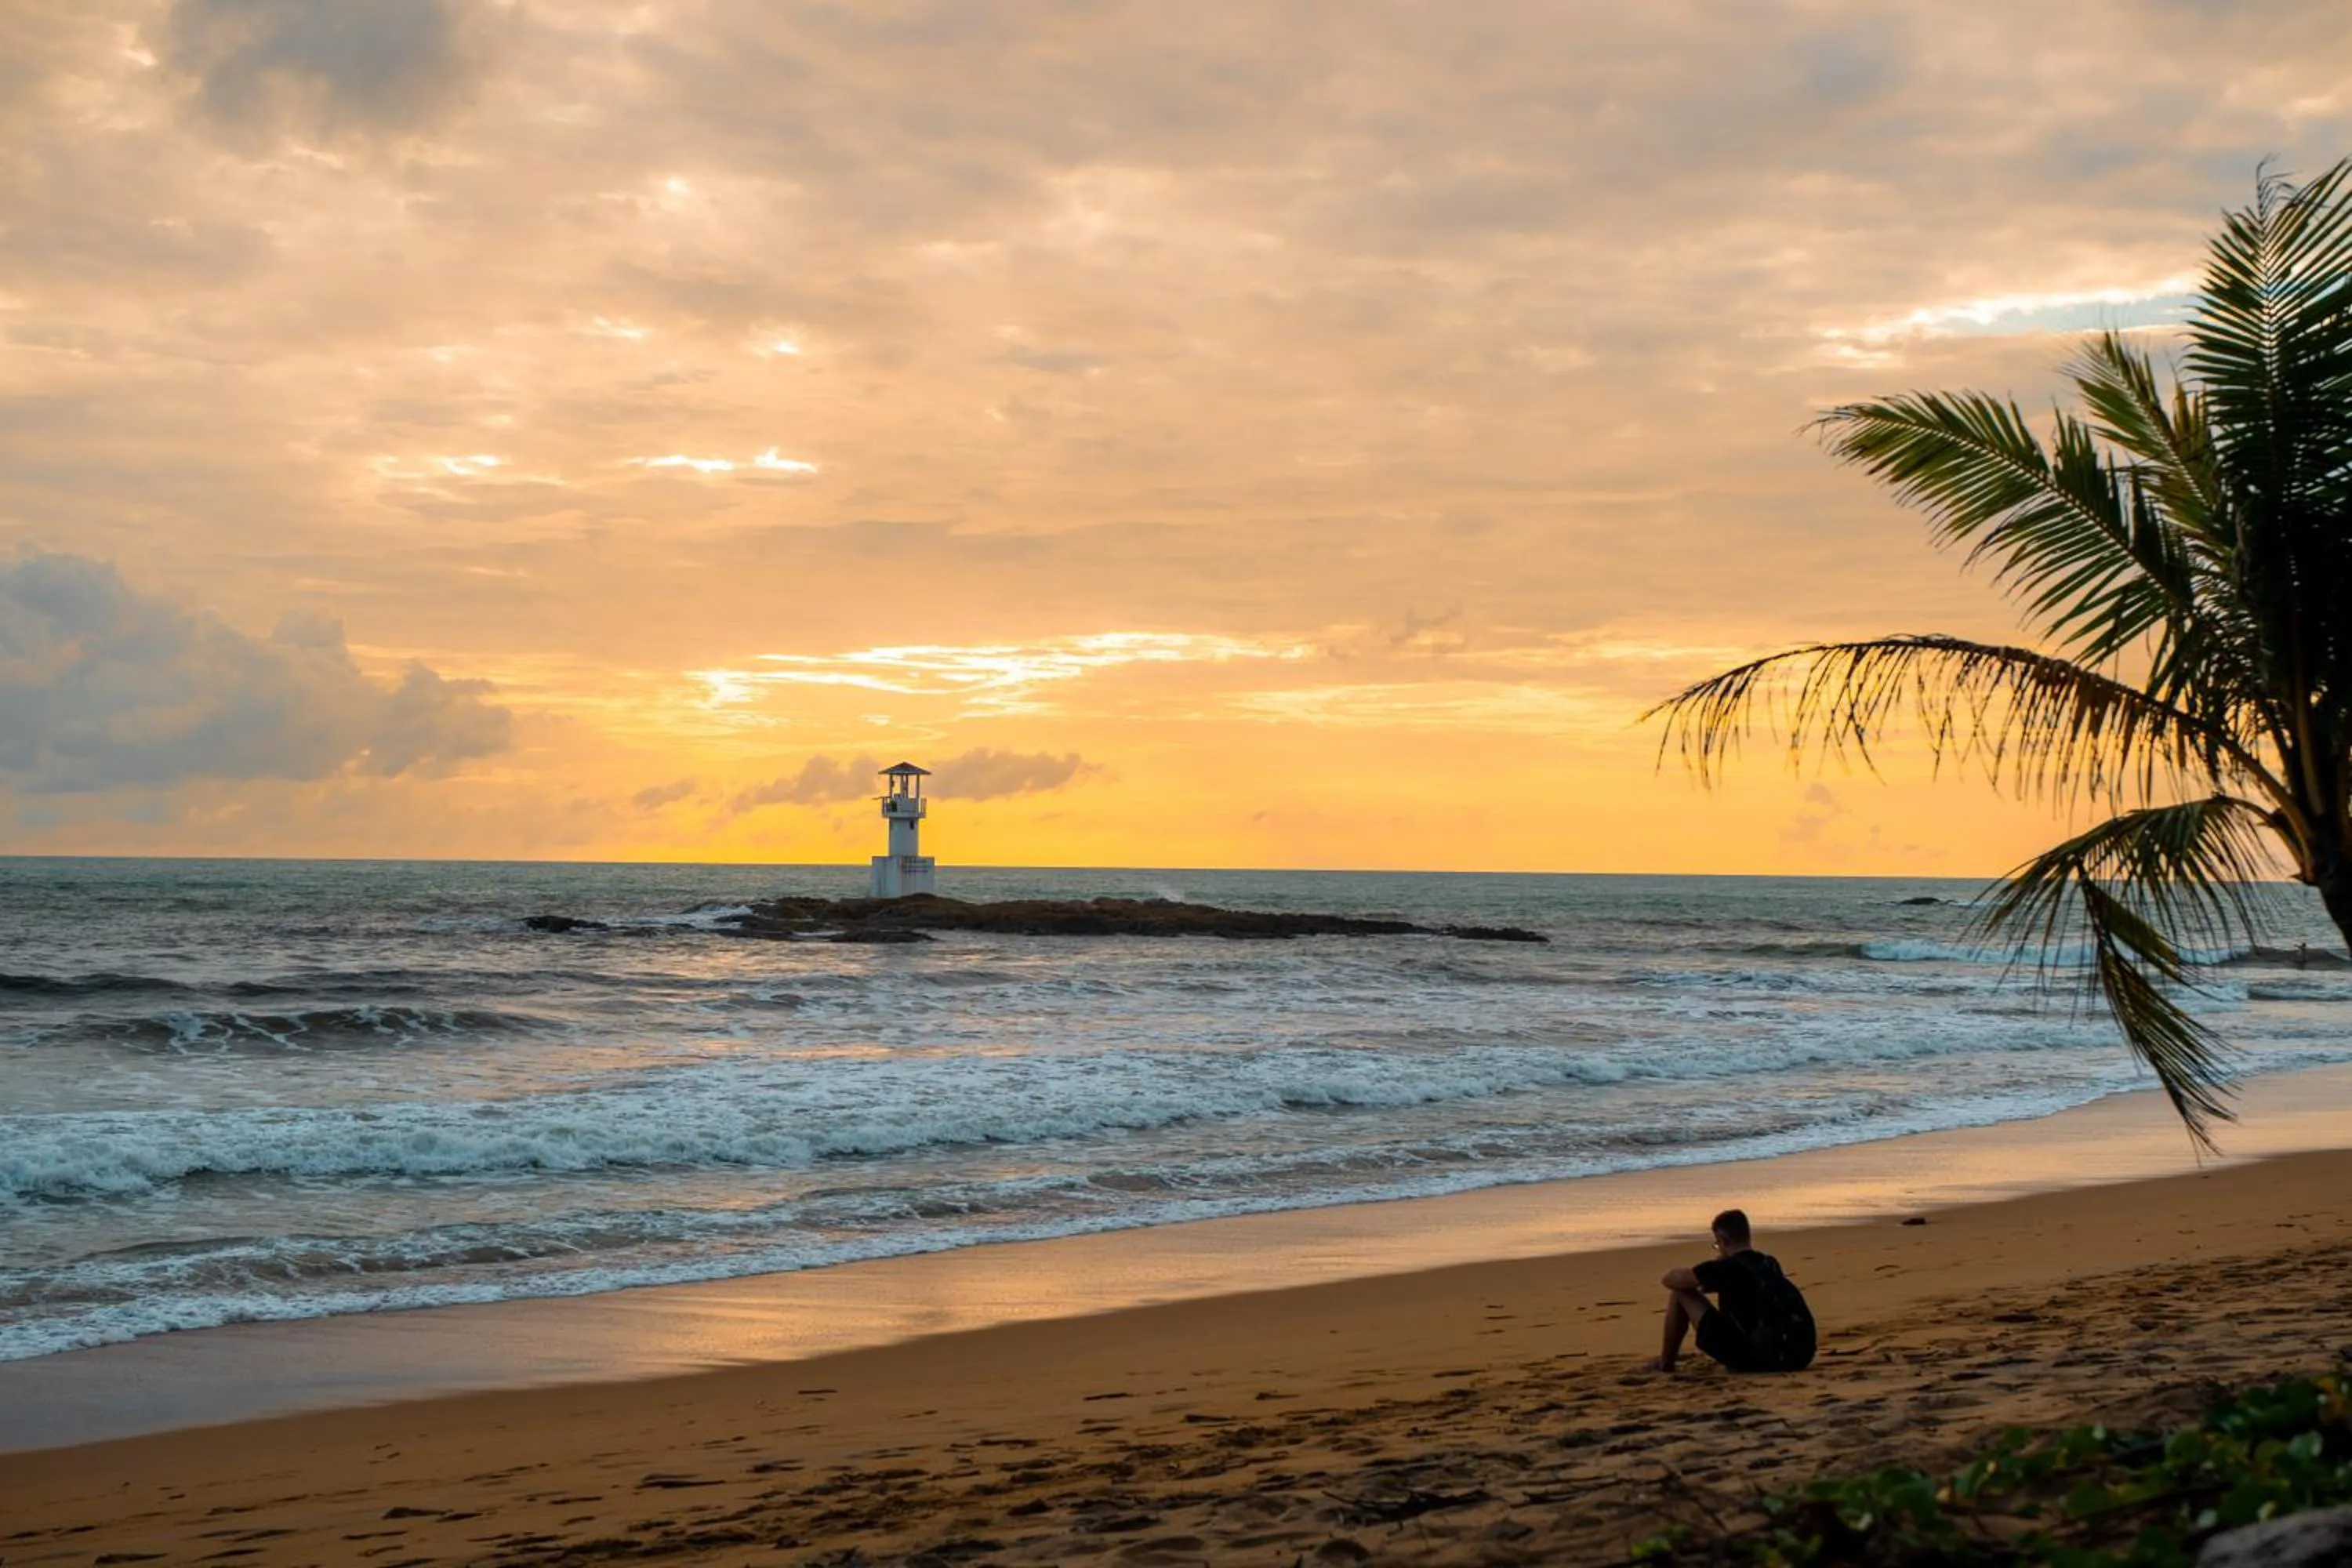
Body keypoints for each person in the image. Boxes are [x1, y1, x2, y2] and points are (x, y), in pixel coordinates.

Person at [1645, 1208, 1815, 1374]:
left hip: (1758, 1358)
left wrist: (1708, 1273)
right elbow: (1747, 1288)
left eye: (1717, 1244)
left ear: (1723, 1240)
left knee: (1680, 1293)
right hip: (1796, 1355)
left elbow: (1671, 1280)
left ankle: (1666, 1364)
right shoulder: (1769, 1263)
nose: (1718, 1248)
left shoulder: (1726, 1268)